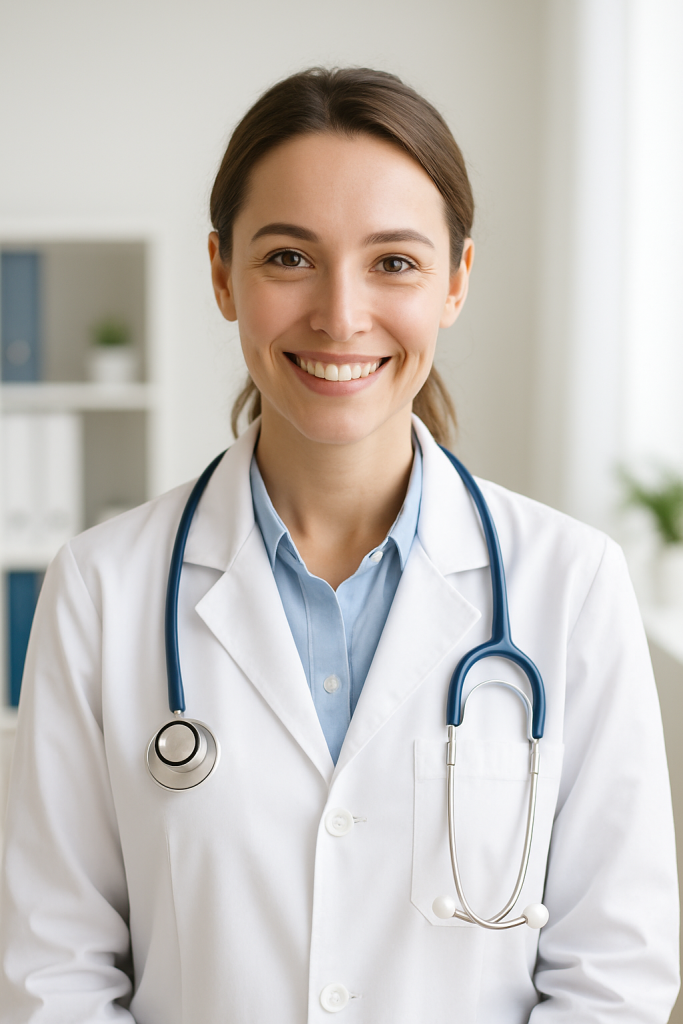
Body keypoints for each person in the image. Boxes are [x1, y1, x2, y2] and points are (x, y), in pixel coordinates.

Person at [0, 67, 678, 1023]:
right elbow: (54, 972)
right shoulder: (103, 589)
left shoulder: (570, 585)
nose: (340, 314)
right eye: (288, 257)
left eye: (393, 262)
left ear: (456, 281)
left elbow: (613, 975)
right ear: (221, 273)